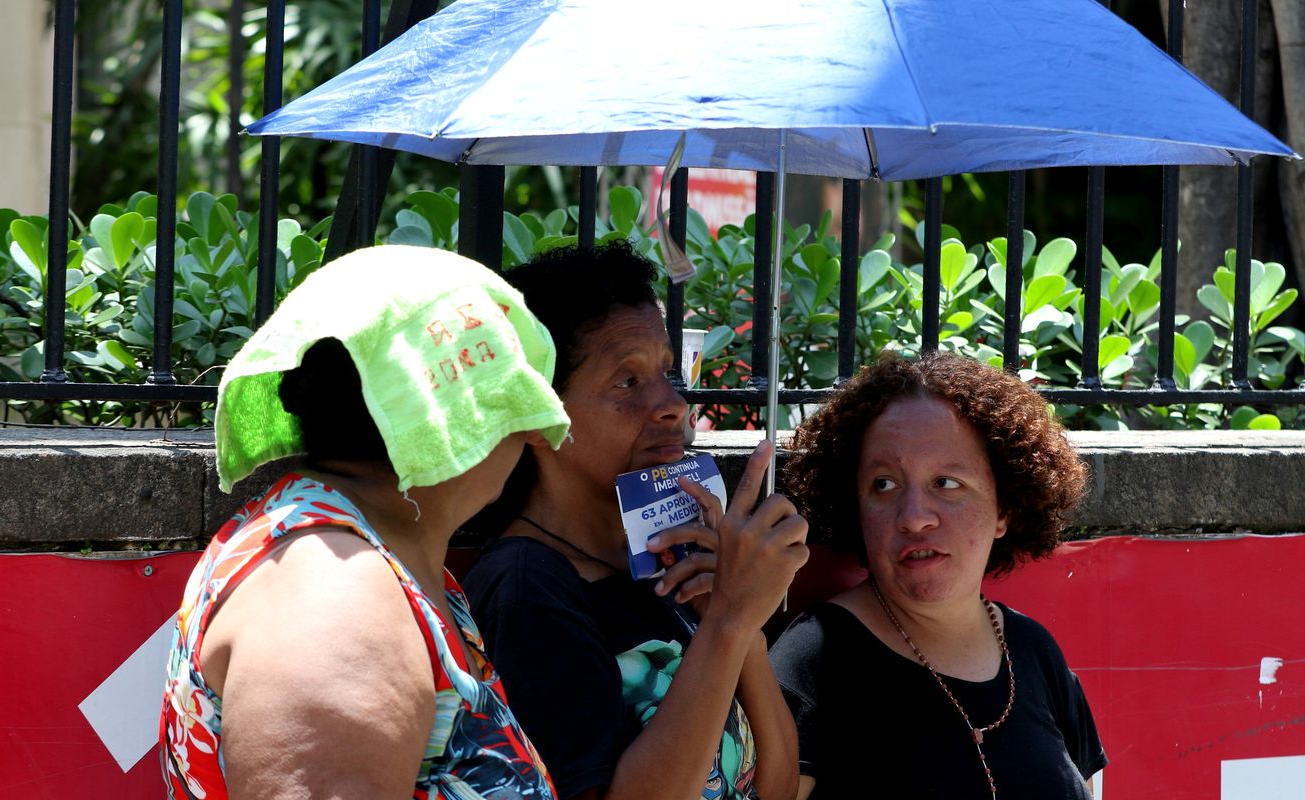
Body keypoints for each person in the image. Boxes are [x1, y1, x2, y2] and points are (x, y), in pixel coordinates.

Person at [160, 245, 571, 799]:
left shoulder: (356, 552)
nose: (534, 435)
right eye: (515, 407)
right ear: (447, 422)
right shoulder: (335, 590)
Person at [462, 241, 806, 800]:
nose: (672, 403)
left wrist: (739, 624)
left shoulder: (669, 564)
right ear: (542, 414)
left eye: (668, 373)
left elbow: (779, 788)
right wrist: (728, 625)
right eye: (627, 382)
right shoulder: (527, 589)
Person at [772, 351, 1105, 799]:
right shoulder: (815, 658)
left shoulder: (1035, 651)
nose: (913, 517)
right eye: (884, 484)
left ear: (1004, 507)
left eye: (946, 483)